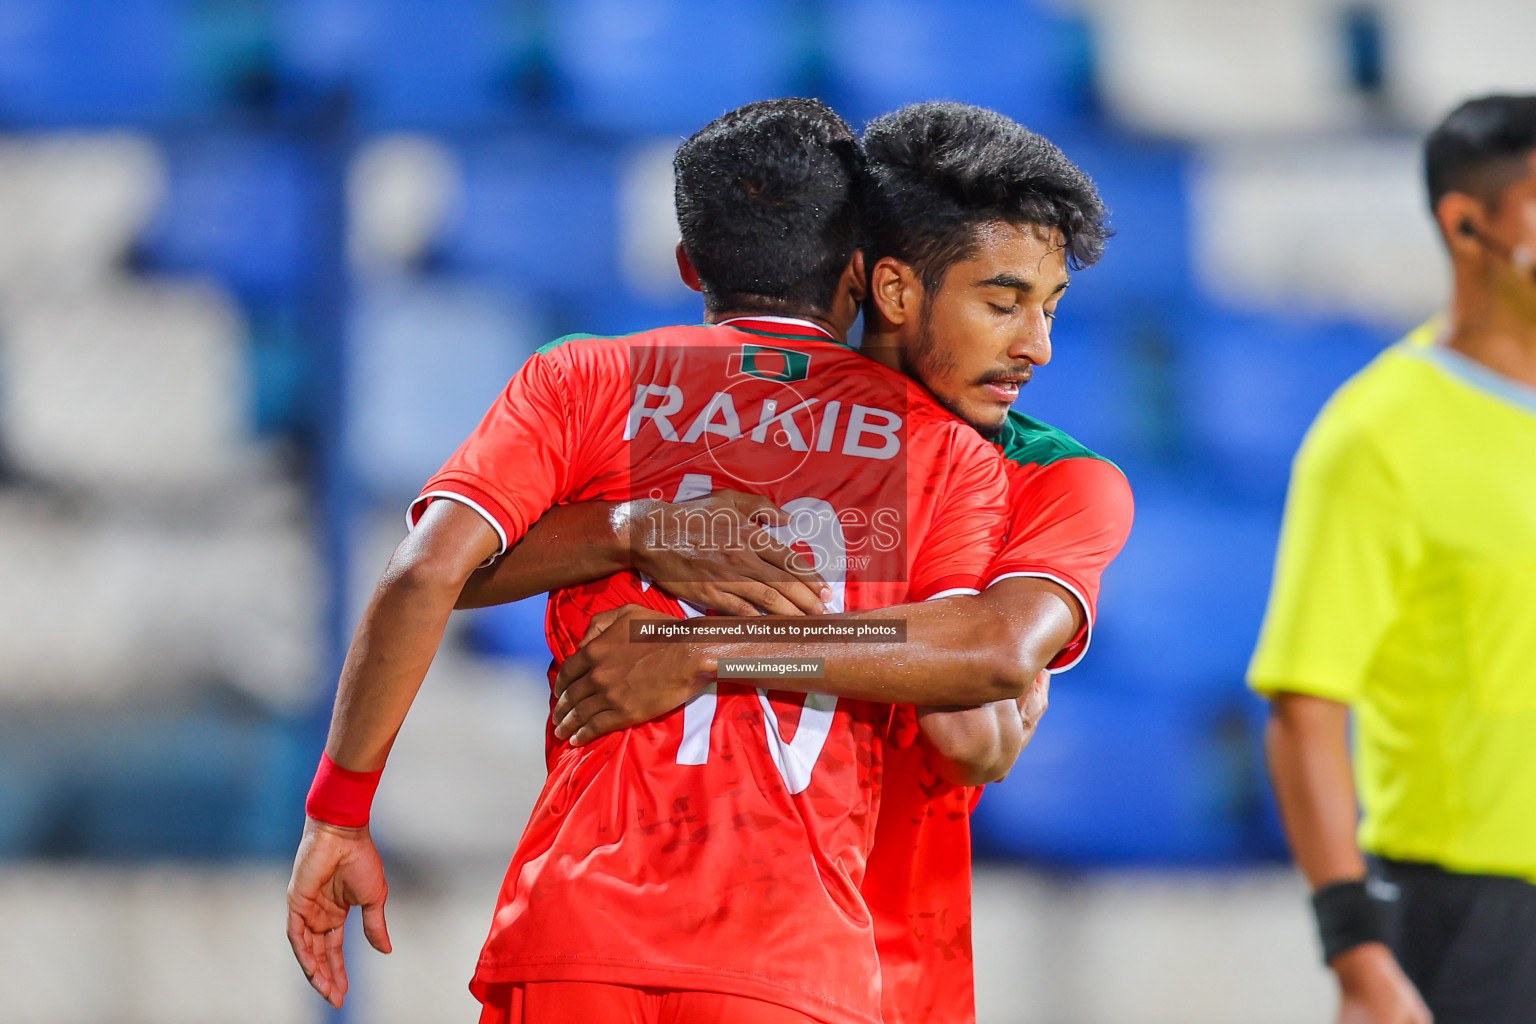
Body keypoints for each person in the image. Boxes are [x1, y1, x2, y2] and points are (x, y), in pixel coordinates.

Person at [286, 97, 1015, 1024]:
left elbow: (426, 572)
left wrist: (339, 814)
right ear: (861, 276)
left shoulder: (586, 378)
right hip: (792, 957)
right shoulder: (945, 450)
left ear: (687, 264)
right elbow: (967, 703)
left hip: (575, 936)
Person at [469, 102, 1134, 1024]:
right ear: (887, 284)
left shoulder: (1060, 481)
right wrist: (633, 527)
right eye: (1002, 302)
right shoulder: (699, 410)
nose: (1037, 348)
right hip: (635, 937)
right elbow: (452, 568)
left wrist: (705, 650)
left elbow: (972, 727)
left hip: (879, 962)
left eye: (1049, 309)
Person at [1250, 94, 1536, 1024]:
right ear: (1468, 224)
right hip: (1475, 915)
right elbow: (1305, 712)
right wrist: (1355, 951)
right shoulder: (1377, 436)